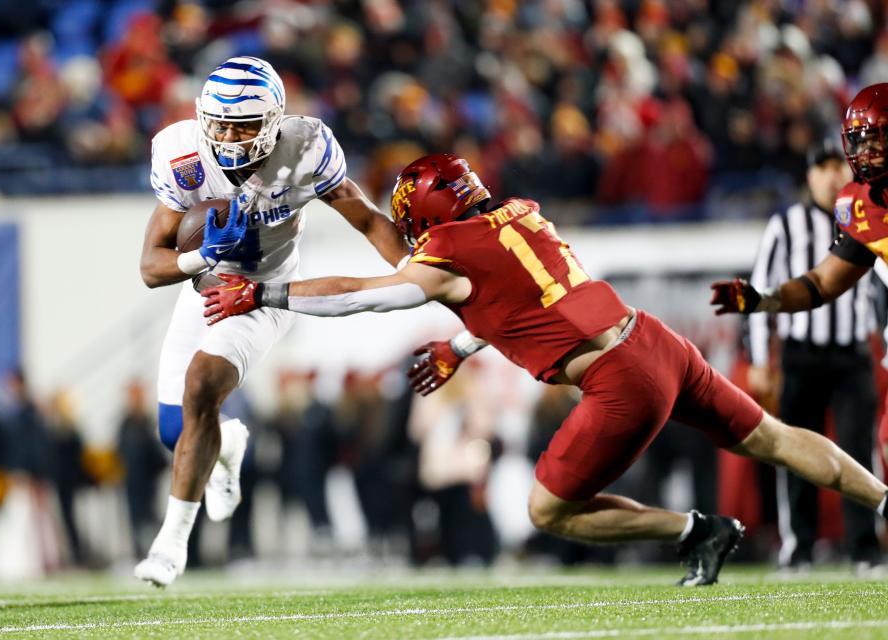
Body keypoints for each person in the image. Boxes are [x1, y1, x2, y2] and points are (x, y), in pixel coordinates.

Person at [200, 152, 888, 586]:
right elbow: (524, 303)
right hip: (656, 340)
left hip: (620, 380)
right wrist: (462, 346)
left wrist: (265, 292)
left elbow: (366, 298)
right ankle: (885, 499)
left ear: (429, 218)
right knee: (772, 436)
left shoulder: (452, 254)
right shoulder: (519, 214)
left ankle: (697, 531)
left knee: (549, 510)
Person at [134, 56, 409, 587]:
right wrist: (201, 257)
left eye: (244, 124)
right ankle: (229, 443)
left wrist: (413, 268)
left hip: (261, 294)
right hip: (205, 289)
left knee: (200, 386)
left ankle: (170, 545)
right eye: (221, 123)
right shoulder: (180, 153)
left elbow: (366, 217)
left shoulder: (306, 147)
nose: (231, 137)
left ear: (276, 120)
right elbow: (151, 267)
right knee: (176, 431)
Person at [746, 139, 882, 571]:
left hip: (852, 352)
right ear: (808, 176)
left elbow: (879, 287)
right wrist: (758, 359)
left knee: (861, 449)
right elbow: (763, 288)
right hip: (802, 353)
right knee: (796, 451)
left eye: (835, 166)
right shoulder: (787, 223)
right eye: (820, 167)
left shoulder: (868, 216)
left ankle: (865, 547)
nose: (830, 175)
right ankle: (798, 547)